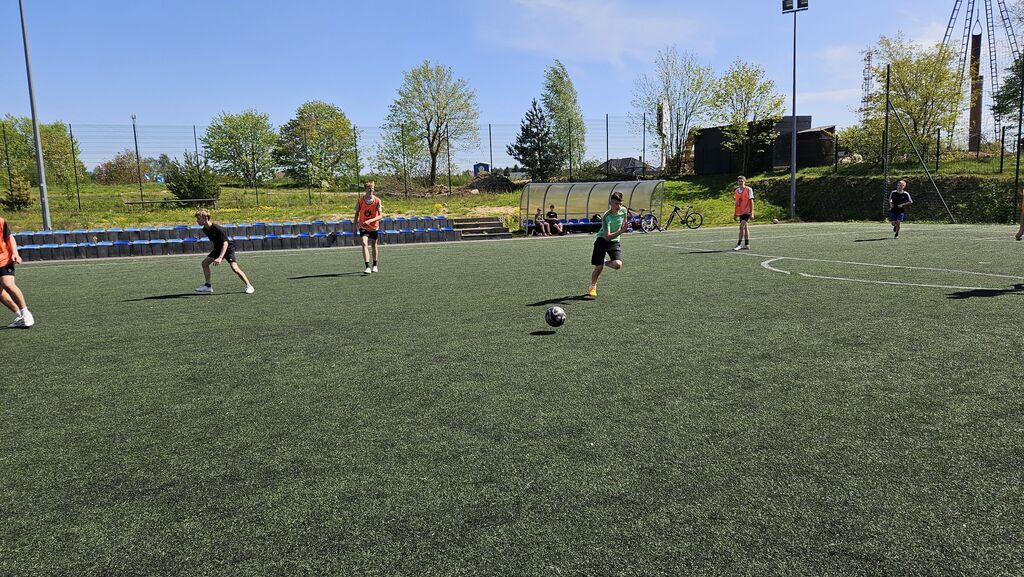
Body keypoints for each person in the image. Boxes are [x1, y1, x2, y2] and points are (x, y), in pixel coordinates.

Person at [194, 209, 254, 294]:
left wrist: (220, 257)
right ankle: (208, 286)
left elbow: (225, 243)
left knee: (235, 268)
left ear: (205, 218)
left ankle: (249, 286)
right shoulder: (205, 229)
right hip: (218, 248)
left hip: (228, 249)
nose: (197, 221)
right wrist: (215, 253)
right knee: (204, 263)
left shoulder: (218, 228)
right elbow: (214, 241)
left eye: (198, 219)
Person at [586, 191, 630, 298]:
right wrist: (622, 231)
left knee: (617, 265)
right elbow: (608, 236)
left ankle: (605, 262)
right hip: (602, 240)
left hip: (615, 241)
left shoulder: (623, 210)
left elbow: (624, 221)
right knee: (598, 267)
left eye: (620, 204)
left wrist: (624, 225)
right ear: (610, 203)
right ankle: (592, 286)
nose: (618, 206)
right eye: (616, 204)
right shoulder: (607, 216)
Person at [0, 214, 34, 328]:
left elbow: (9, 237)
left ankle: (25, 312)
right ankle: (20, 315)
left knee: (7, 284)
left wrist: (15, 253)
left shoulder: (0, 222)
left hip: (4, 258)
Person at [356, 181, 383, 273]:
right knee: (364, 242)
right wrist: (354, 224)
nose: (371, 190)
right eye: (369, 188)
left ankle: (375, 265)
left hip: (373, 226)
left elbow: (380, 216)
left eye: (372, 188)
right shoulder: (360, 200)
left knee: (374, 245)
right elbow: (356, 214)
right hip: (363, 226)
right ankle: (367, 266)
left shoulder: (377, 201)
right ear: (365, 189)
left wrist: (370, 221)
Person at [733, 176, 754, 251]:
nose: (740, 182)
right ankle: (747, 244)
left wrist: (751, 213)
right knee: (745, 227)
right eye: (739, 181)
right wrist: (735, 213)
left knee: (741, 226)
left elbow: (751, 201)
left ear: (744, 182)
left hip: (747, 211)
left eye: (742, 181)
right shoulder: (736, 191)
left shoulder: (748, 189)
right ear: (737, 182)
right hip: (741, 212)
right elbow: (736, 203)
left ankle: (738, 244)